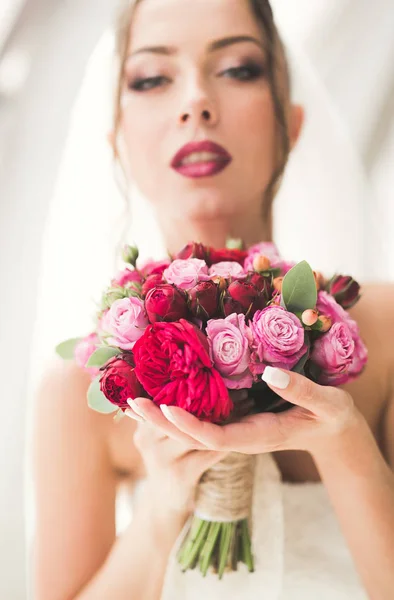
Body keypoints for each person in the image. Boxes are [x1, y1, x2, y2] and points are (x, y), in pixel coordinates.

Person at [31, 0, 394, 598]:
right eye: (152, 78)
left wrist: (345, 445)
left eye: (238, 69)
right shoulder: (77, 390)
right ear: (117, 140)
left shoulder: (381, 330)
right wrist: (160, 513)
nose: (195, 102)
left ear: (291, 123)